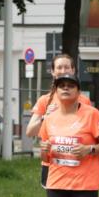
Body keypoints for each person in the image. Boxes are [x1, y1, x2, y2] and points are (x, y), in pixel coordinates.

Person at [26, 53, 92, 188]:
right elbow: (30, 131)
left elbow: (91, 130)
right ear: (53, 72)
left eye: (67, 67)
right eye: (59, 67)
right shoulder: (45, 100)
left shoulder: (84, 100)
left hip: (77, 164)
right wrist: (45, 117)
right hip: (52, 164)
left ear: (73, 70)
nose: (63, 71)